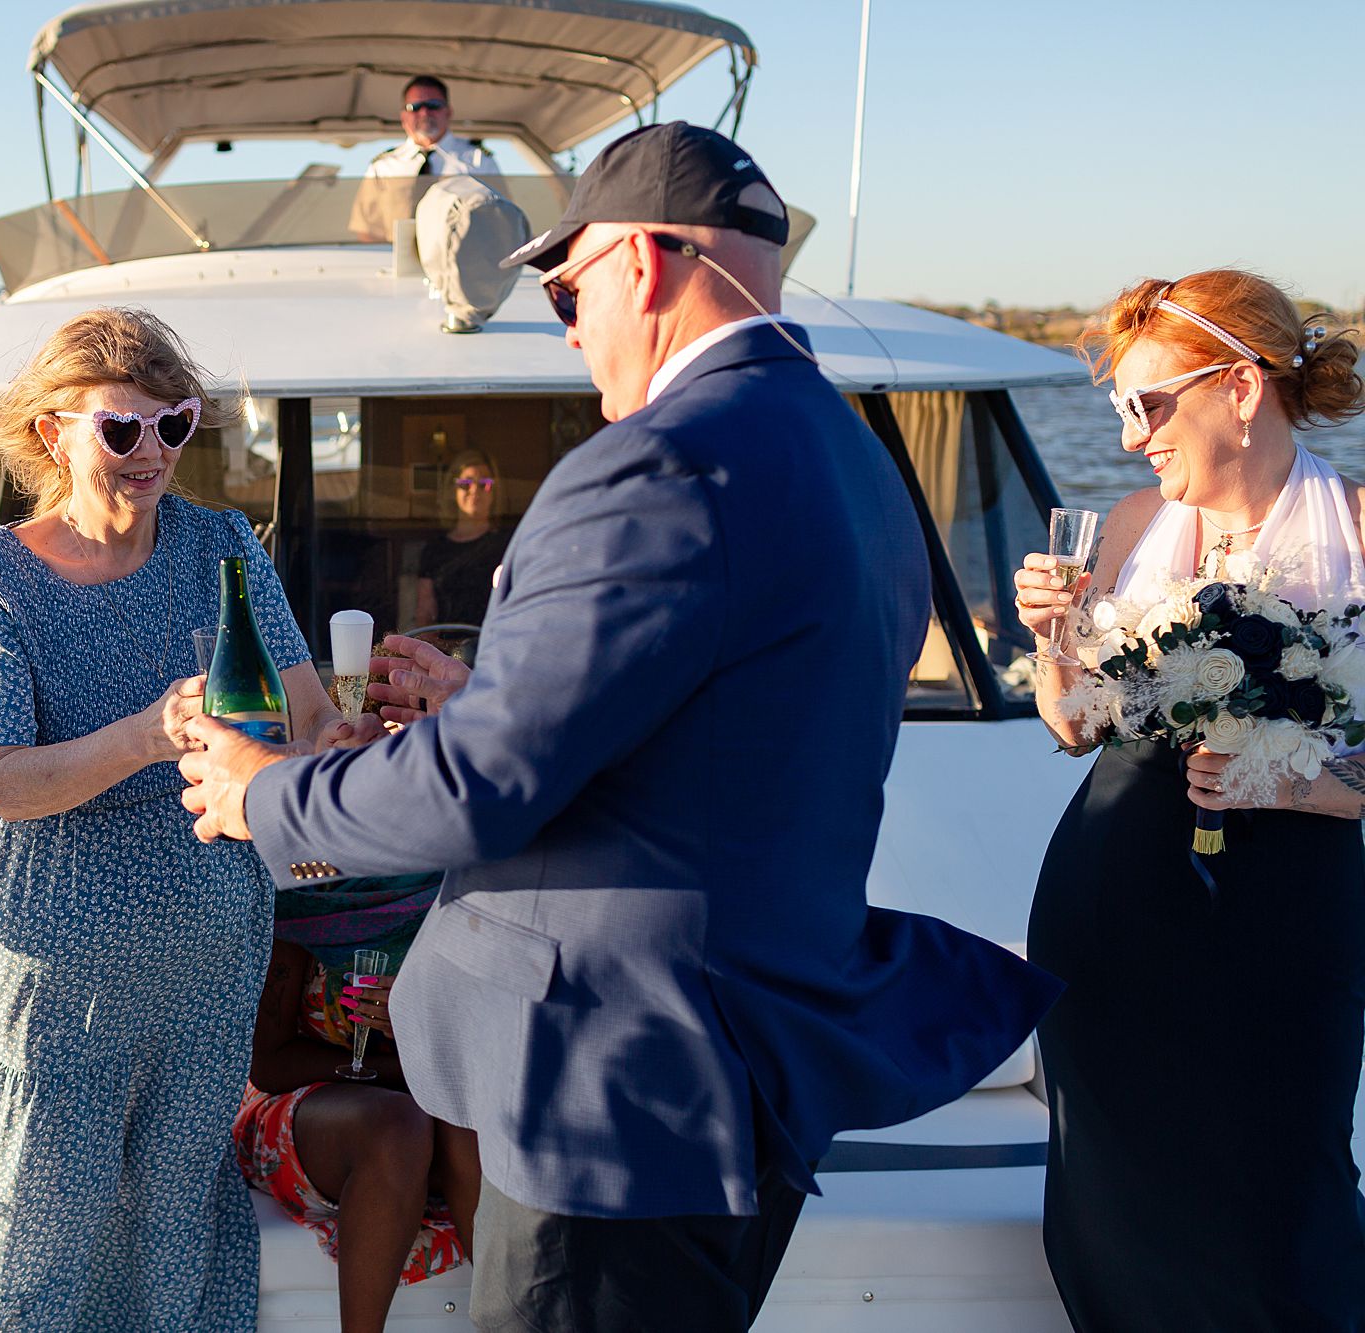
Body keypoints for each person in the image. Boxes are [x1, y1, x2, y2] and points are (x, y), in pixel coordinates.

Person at [180, 123, 1059, 1332]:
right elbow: (718, 724)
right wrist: (481, 700)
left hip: (608, 1082)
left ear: (641, 264)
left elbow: (477, 792)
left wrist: (259, 791)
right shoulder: (855, 459)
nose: (565, 319)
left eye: (566, 285)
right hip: (747, 1062)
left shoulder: (655, 464)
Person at [0, 307, 354, 1332]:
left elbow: (304, 712)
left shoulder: (220, 545)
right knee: (44, 1212)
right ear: (53, 433)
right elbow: (6, 784)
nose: (153, 453)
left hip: (205, 957)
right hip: (53, 967)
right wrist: (145, 733)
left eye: (174, 424)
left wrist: (348, 736)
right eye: (121, 430)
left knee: (172, 1205)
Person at [1014, 271, 1365, 1331]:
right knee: (1110, 1198)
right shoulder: (1124, 525)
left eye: (1147, 403)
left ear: (1241, 388)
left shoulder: (1356, 529)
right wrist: (1049, 640)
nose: (1130, 437)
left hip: (1286, 924)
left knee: (1279, 1197)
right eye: (1117, 409)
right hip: (1113, 905)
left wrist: (1307, 788)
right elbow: (1070, 725)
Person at [235, 872, 479, 1332]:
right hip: (306, 1102)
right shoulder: (308, 895)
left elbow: (490, 1051)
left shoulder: (464, 890)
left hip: (440, 1093)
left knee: (463, 1126)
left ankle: (506, 1321)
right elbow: (269, 1067)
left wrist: (419, 1022)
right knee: (397, 1126)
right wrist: (386, 1070)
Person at [349, 75, 500, 243]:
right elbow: (367, 230)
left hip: (462, 265)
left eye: (433, 105)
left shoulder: (478, 162)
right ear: (403, 116)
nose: (424, 112)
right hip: (395, 264)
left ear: (448, 112)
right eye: (415, 107)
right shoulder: (383, 167)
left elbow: (501, 221)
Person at [415, 449, 509, 628]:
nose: (474, 490)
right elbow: (424, 615)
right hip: (444, 651)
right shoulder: (434, 549)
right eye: (465, 483)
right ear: (452, 490)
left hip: (491, 647)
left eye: (484, 483)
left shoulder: (507, 545)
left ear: (494, 491)